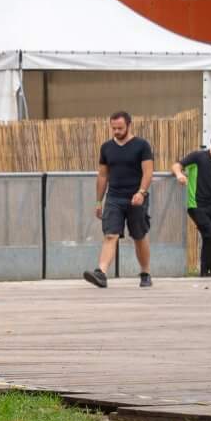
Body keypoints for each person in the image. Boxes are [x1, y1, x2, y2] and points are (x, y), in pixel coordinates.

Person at [85, 111, 155, 289]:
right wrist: (98, 201)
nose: (116, 131)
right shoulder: (106, 147)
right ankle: (101, 273)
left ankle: (145, 273)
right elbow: (102, 176)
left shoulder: (142, 145)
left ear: (129, 125)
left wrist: (141, 192)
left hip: (136, 197)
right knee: (110, 234)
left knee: (139, 236)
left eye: (120, 128)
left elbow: (148, 172)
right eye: (113, 128)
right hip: (114, 198)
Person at [173, 132, 211, 278]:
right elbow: (177, 165)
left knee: (209, 237)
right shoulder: (198, 156)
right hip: (195, 204)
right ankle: (206, 270)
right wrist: (179, 174)